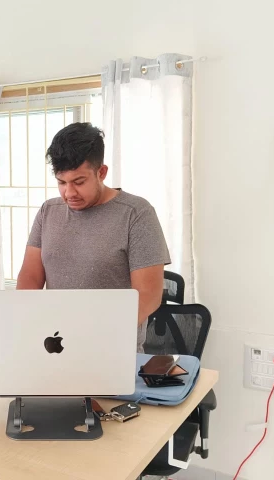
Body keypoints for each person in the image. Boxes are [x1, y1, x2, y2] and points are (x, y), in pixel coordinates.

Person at [16, 122, 171, 352]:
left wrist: (90, 334)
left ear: (102, 172)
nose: (69, 193)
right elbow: (29, 277)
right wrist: (25, 324)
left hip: (111, 349)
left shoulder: (136, 213)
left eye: (79, 182)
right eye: (61, 182)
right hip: (54, 347)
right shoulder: (48, 211)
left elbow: (148, 296)